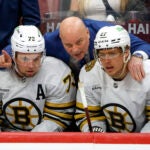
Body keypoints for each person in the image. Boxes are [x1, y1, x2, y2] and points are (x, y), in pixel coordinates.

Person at [0, 17, 150, 82]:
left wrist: (137, 56)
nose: (76, 49)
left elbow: (145, 46)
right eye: (68, 45)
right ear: (60, 39)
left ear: (87, 33)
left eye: (79, 42)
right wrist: (5, 55)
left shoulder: (106, 31)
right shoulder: (52, 39)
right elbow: (24, 44)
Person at [75, 25, 150, 133]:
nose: (106, 61)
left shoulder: (148, 73)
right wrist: (97, 133)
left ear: (126, 52)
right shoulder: (89, 73)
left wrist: (140, 143)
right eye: (102, 54)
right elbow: (88, 115)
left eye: (112, 53)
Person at [0, 25, 76, 132]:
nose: (31, 65)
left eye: (36, 59)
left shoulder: (58, 73)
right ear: (14, 55)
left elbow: (56, 119)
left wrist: (30, 143)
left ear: (42, 54)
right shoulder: (2, 74)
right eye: (25, 59)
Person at [69, 0, 148, 22]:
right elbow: (72, 17)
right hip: (89, 33)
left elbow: (140, 13)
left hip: (117, 33)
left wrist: (122, 22)